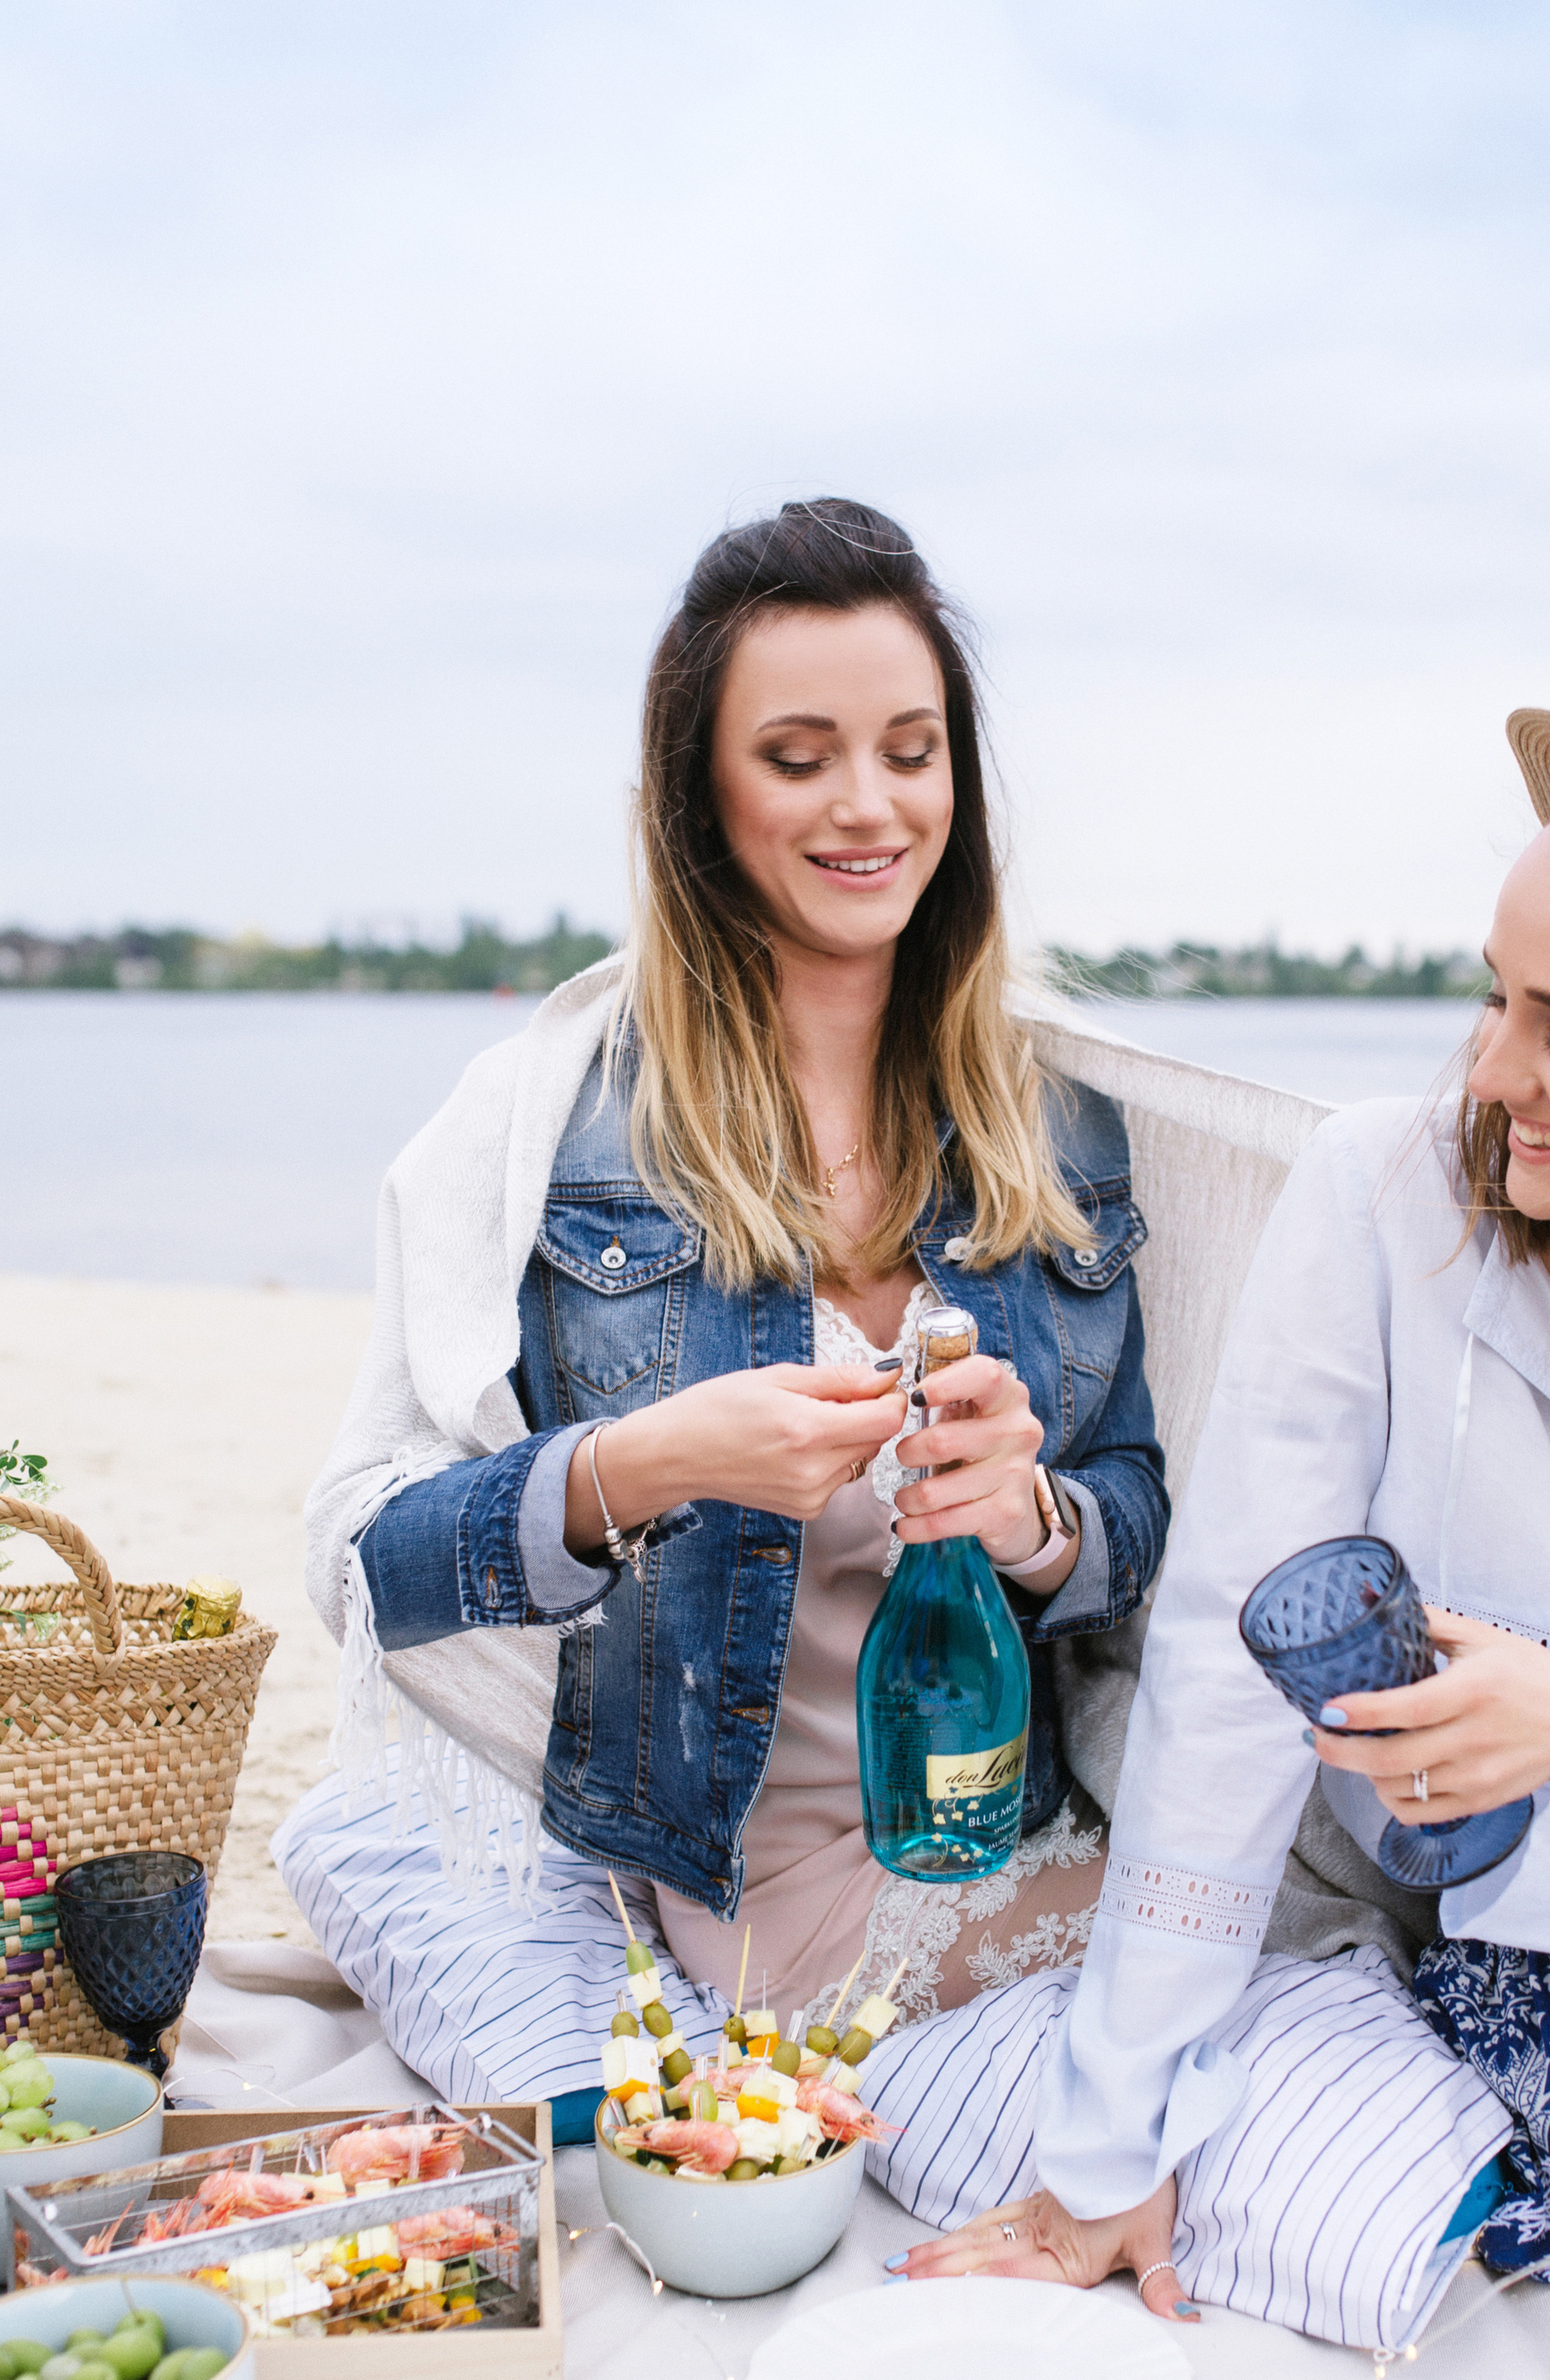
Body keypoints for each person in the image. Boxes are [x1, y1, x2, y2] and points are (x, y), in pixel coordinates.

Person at [902, 700, 1550, 2371]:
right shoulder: (1378, 1198)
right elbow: (1226, 1669)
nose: (1489, 1074)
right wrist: (1108, 2149)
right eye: (1495, 998)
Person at [296, 498, 1166, 2107]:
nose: (868, 804)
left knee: (1263, 1988)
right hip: (735, 1877)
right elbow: (362, 1563)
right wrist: (647, 1465)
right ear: (701, 790)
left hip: (998, 1827)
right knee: (1209, 2023)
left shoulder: (1063, 1126)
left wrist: (1034, 1515)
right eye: (797, 755)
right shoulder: (551, 1129)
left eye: (910, 750)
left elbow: (1142, 1522)